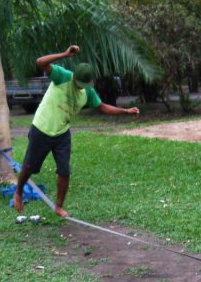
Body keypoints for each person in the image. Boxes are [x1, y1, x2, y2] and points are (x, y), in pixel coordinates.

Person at [14, 45, 140, 218]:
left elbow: (102, 107)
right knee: (29, 167)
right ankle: (19, 192)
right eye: (78, 83)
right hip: (41, 128)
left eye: (83, 85)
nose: (80, 87)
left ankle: (58, 206)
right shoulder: (62, 76)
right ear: (74, 76)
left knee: (64, 171)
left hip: (62, 133)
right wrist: (65, 54)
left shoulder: (87, 91)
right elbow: (40, 62)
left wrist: (125, 111)